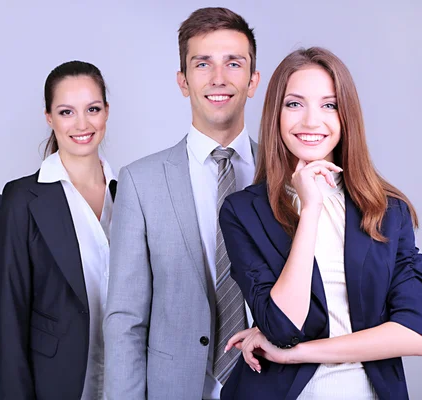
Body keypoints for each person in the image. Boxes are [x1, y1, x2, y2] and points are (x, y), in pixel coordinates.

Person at [219, 47, 422, 400]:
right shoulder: (242, 211)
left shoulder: (386, 209)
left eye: (329, 105)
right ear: (276, 114)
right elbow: (283, 326)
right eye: (294, 104)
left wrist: (299, 353)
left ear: (346, 115)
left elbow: (415, 332)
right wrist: (311, 208)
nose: (311, 121)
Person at [104, 7, 261, 400]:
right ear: (183, 81)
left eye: (234, 64)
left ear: (253, 80)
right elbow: (125, 319)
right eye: (202, 63)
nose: (219, 78)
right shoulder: (141, 182)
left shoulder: (285, 178)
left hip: (273, 384)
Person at [0, 60, 116, 399]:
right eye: (66, 112)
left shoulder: (131, 193)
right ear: (48, 117)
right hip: (58, 383)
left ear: (106, 112)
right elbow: (10, 318)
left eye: (92, 109)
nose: (82, 123)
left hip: (127, 381)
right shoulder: (23, 199)